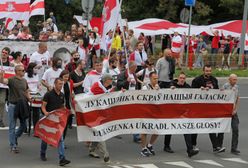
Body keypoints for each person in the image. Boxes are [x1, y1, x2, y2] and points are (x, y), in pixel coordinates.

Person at [192, 64, 225, 153]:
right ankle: (192, 145)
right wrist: (200, 89)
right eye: (207, 71)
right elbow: (191, 93)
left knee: (212, 126)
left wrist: (221, 91)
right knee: (196, 127)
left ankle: (216, 147)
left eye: (210, 71)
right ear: (203, 71)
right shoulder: (197, 80)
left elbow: (217, 92)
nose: (208, 72)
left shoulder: (214, 80)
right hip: (199, 108)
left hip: (210, 108)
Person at [0, 65, 31, 153]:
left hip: (22, 105)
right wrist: (1, 75)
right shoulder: (12, 79)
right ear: (17, 71)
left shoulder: (24, 80)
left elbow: (26, 90)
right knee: (12, 126)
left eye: (24, 70)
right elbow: (2, 81)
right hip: (13, 105)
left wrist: (29, 97)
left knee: (23, 125)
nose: (24, 72)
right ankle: (13, 145)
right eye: (22, 70)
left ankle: (15, 137)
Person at [40, 78, 70, 166]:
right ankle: (42, 153)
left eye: (62, 84)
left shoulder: (62, 95)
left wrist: (65, 111)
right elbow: (43, 106)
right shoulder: (48, 94)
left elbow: (62, 106)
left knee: (60, 139)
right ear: (55, 84)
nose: (61, 86)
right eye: (59, 84)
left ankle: (62, 158)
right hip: (48, 119)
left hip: (57, 119)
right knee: (46, 138)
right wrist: (45, 113)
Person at [170, 72, 199, 157]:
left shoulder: (188, 87)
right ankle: (166, 145)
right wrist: (171, 89)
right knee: (168, 129)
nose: (182, 79)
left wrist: (202, 90)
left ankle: (190, 149)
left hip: (183, 114)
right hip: (173, 112)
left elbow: (194, 95)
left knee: (187, 130)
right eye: (181, 78)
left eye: (183, 78)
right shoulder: (172, 85)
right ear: (178, 78)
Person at [88, 73, 113, 163]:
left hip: (98, 113)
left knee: (97, 132)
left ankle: (91, 150)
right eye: (111, 80)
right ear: (106, 81)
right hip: (92, 113)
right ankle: (106, 154)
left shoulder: (103, 86)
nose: (112, 82)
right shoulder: (97, 87)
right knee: (100, 133)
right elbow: (106, 96)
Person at [117, 61, 141, 142]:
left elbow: (136, 85)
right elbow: (118, 85)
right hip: (125, 99)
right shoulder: (122, 74)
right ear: (131, 67)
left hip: (133, 98)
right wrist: (126, 81)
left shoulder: (134, 74)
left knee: (136, 116)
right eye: (135, 67)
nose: (136, 69)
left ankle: (136, 135)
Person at [140, 72, 159, 157]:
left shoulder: (158, 87)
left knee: (157, 130)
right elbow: (146, 100)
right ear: (150, 79)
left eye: (157, 78)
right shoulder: (145, 88)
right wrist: (154, 91)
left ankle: (150, 145)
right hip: (146, 112)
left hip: (155, 112)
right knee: (144, 131)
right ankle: (143, 148)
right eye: (154, 78)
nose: (156, 80)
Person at [222, 74, 240, 155]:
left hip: (233, 112)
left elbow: (237, 98)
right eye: (233, 79)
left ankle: (234, 148)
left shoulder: (236, 87)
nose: (235, 81)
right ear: (229, 79)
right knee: (221, 129)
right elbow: (221, 96)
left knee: (235, 129)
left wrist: (235, 109)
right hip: (225, 111)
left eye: (236, 79)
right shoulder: (225, 86)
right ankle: (218, 146)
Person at [24, 63, 42, 131]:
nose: (37, 70)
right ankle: (24, 126)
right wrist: (29, 90)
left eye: (37, 68)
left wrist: (39, 86)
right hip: (27, 94)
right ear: (31, 68)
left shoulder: (36, 75)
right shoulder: (25, 75)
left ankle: (36, 128)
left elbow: (38, 84)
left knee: (36, 113)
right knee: (26, 112)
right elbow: (24, 85)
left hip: (35, 95)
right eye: (35, 68)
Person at [59, 70, 74, 137]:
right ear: (61, 76)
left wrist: (72, 94)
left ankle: (62, 140)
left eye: (67, 77)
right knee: (61, 124)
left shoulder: (69, 83)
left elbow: (71, 92)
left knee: (65, 125)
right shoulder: (59, 83)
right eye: (65, 77)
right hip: (60, 106)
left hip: (68, 105)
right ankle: (60, 140)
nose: (66, 78)